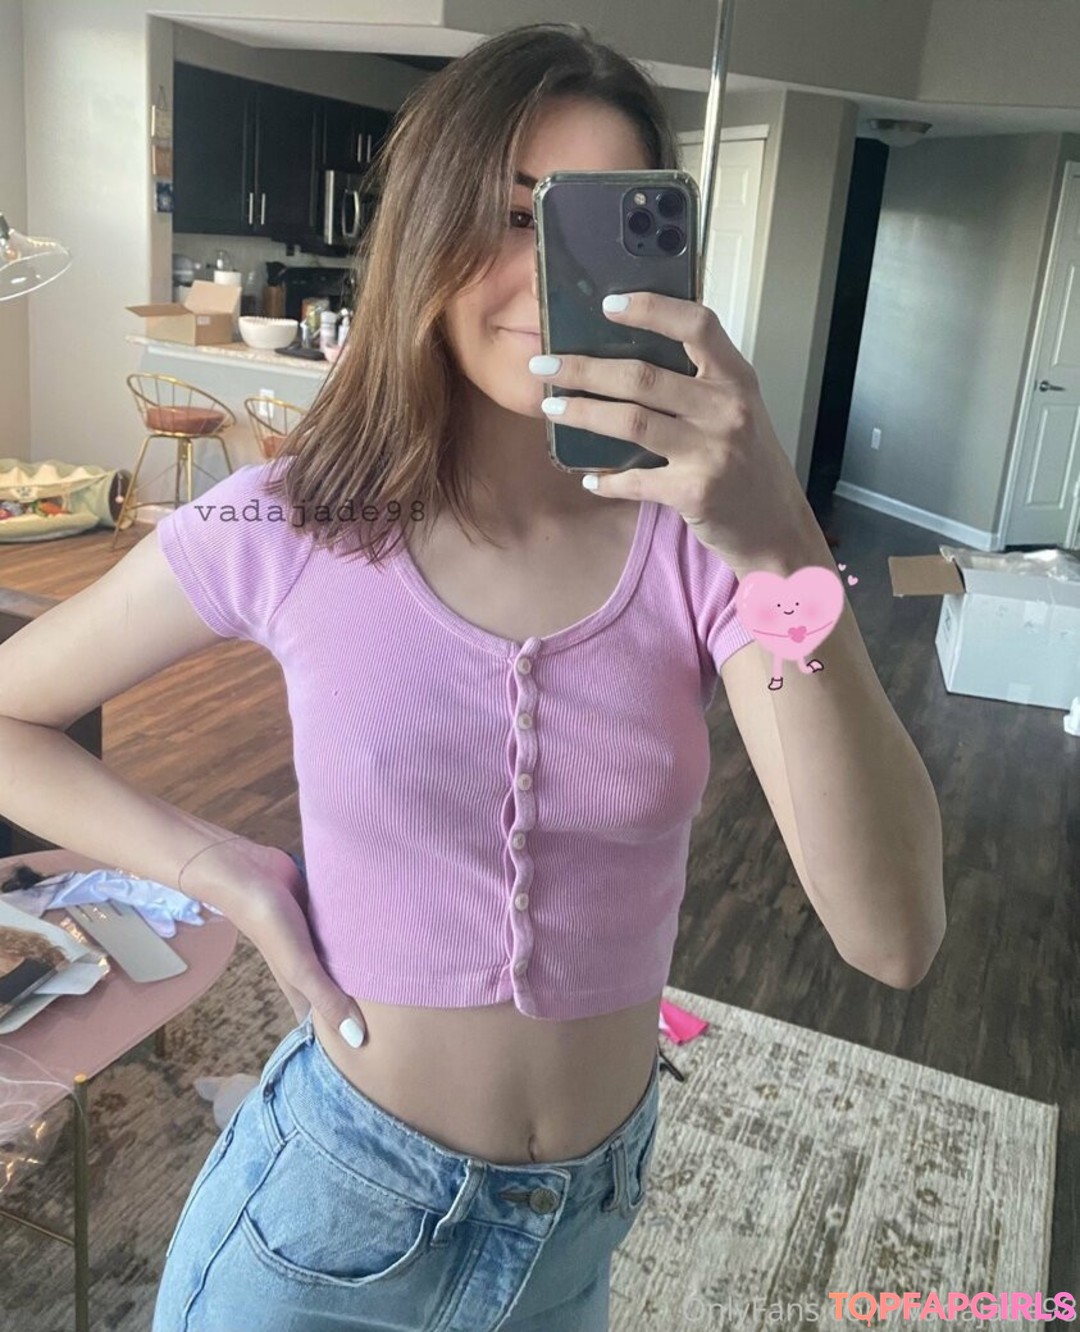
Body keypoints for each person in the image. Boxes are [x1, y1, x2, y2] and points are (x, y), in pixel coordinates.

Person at [0, 21, 945, 1332]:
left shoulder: (709, 553)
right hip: (331, 1219)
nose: (546, 277)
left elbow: (891, 935)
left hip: (581, 1229)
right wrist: (223, 871)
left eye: (593, 226)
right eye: (510, 215)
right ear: (425, 235)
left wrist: (779, 536)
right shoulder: (289, 524)